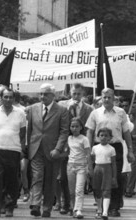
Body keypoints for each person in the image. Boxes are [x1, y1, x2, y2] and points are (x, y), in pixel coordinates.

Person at [86, 88, 134, 217]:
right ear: (101, 98)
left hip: (115, 147)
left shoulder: (121, 113)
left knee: (116, 177)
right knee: (99, 178)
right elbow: (90, 132)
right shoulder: (95, 113)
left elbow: (126, 133)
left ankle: (114, 207)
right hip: (98, 147)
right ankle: (101, 207)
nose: (106, 99)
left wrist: (130, 150)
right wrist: (89, 150)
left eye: (109, 97)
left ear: (114, 98)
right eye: (104, 97)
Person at [26, 83, 69, 218]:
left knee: (50, 180)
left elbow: (64, 132)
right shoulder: (33, 109)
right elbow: (29, 129)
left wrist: (58, 149)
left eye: (45, 94)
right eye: (41, 94)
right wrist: (27, 147)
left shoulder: (62, 111)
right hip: (36, 148)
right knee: (37, 176)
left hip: (52, 151)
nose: (42, 96)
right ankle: (36, 204)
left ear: (53, 95)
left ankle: (47, 208)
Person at [0, 88, 26, 217]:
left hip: (13, 151)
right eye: (5, 97)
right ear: (1, 98)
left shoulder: (21, 113)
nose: (8, 100)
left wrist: (22, 150)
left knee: (11, 180)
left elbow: (23, 134)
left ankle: (9, 207)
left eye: (10, 97)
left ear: (14, 99)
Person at [57, 83, 93, 213]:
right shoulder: (62, 105)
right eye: (74, 94)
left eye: (79, 94)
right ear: (70, 93)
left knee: (77, 178)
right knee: (62, 177)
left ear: (83, 94)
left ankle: (75, 205)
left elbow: (89, 128)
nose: (76, 96)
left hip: (80, 146)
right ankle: (63, 203)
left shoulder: (89, 109)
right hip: (65, 143)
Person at [90, 127, 117, 220]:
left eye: (106, 136)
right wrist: (90, 170)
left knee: (106, 190)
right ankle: (99, 209)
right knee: (97, 189)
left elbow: (113, 164)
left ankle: (105, 212)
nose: (104, 137)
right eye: (101, 135)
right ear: (98, 137)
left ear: (110, 138)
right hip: (97, 168)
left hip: (107, 169)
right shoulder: (94, 148)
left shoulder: (111, 149)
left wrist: (114, 177)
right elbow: (92, 160)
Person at [67, 117, 91, 219]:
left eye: (77, 126)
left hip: (81, 166)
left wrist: (89, 167)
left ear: (81, 127)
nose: (74, 128)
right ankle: (73, 208)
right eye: (72, 126)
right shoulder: (69, 138)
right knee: (72, 191)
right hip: (70, 165)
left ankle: (79, 209)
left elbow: (88, 154)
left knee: (79, 189)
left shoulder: (84, 139)